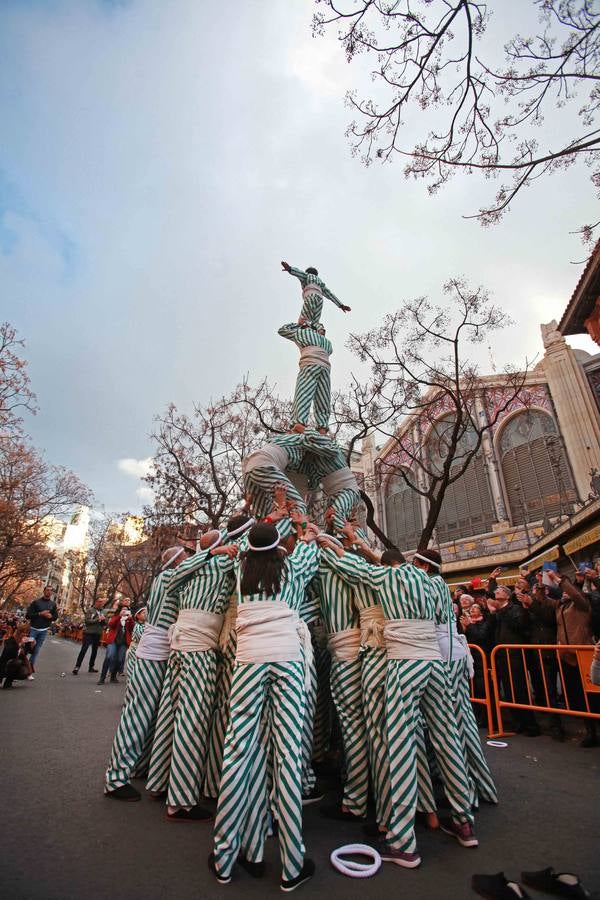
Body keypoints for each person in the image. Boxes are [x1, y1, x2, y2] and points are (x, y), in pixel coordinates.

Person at [319, 534, 477, 869]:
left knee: (400, 745)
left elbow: (348, 565)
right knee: (447, 737)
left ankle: (403, 842)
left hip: (403, 663)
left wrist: (329, 542)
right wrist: (361, 543)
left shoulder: (383, 576)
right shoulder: (428, 580)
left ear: (384, 565)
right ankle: (463, 820)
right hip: (433, 662)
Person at [211, 522, 319, 891]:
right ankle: (292, 864)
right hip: (288, 660)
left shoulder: (238, 568)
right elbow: (309, 541)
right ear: (279, 545)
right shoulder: (294, 564)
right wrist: (299, 525)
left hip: (249, 660)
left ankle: (225, 856)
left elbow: (234, 544)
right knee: (287, 755)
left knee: (239, 753)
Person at [104, 545, 223, 801]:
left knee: (153, 714)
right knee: (138, 713)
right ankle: (115, 779)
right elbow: (191, 568)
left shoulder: (170, 578)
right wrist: (212, 552)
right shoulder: (167, 576)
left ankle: (137, 766)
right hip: (153, 653)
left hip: (163, 651)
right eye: (186, 556)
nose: (190, 559)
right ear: (177, 560)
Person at [278, 320, 333, 433]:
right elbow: (327, 345)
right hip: (326, 368)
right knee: (323, 397)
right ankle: (322, 428)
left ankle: (299, 423)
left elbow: (283, 330)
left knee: (303, 392)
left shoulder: (302, 333)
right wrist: (318, 328)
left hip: (310, 363)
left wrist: (298, 324)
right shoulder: (327, 342)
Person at [281, 261, 350, 327]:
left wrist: (290, 269)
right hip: (320, 298)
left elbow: (300, 273)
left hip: (311, 294)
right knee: (316, 316)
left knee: (307, 311)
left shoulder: (307, 275)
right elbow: (329, 294)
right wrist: (340, 305)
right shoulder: (320, 283)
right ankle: (318, 328)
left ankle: (305, 324)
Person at [25, 585, 58, 677]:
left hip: (43, 630)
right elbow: (28, 615)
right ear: (44, 591)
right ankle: (18, 669)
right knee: (26, 649)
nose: (49, 592)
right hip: (33, 629)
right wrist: (40, 613)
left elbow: (55, 617)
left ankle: (29, 672)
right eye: (47, 590)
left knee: (36, 651)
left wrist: (51, 617)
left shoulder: (53, 604)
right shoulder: (36, 602)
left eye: (51, 591)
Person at [97, 602, 133, 685]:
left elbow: (132, 628)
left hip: (123, 642)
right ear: (120, 610)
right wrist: (119, 616)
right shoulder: (115, 617)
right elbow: (111, 624)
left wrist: (130, 619)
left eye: (126, 610)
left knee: (120, 659)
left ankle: (113, 676)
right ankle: (102, 677)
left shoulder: (128, 620)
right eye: (123, 610)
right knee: (109, 657)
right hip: (113, 641)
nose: (125, 611)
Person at [72, 598, 107, 675]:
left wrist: (104, 620)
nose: (101, 603)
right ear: (96, 602)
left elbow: (105, 623)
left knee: (94, 651)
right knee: (84, 650)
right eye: (99, 601)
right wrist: (97, 619)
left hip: (98, 633)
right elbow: (87, 621)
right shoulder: (90, 610)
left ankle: (91, 667)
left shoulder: (103, 611)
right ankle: (77, 667)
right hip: (89, 633)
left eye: (102, 602)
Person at [0, 624, 33, 688]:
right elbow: (9, 653)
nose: (25, 635)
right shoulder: (10, 640)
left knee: (24, 672)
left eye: (27, 633)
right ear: (18, 632)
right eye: (23, 632)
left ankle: (8, 682)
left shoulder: (25, 641)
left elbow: (30, 652)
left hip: (14, 664)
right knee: (17, 662)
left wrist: (32, 645)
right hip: (4, 665)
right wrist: (20, 645)